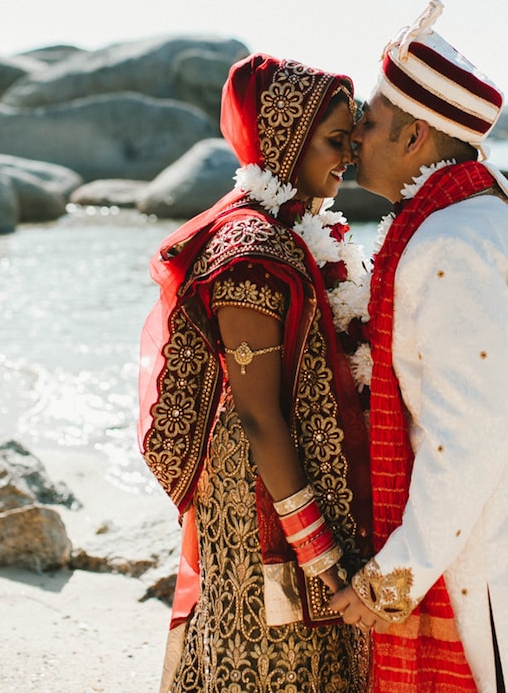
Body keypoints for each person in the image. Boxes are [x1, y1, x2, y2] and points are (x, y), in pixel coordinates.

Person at [328, 0, 508, 692]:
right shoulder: (477, 216)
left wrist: (393, 577)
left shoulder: (452, 242)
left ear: (415, 136)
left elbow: (465, 437)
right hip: (502, 540)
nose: (355, 136)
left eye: (370, 122)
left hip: (486, 567)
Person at [139, 53, 375, 692]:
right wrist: (316, 548)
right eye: (335, 140)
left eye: (351, 139)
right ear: (286, 139)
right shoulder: (251, 249)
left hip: (285, 467)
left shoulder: (295, 228)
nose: (349, 155)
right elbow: (257, 412)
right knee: (268, 656)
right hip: (258, 490)